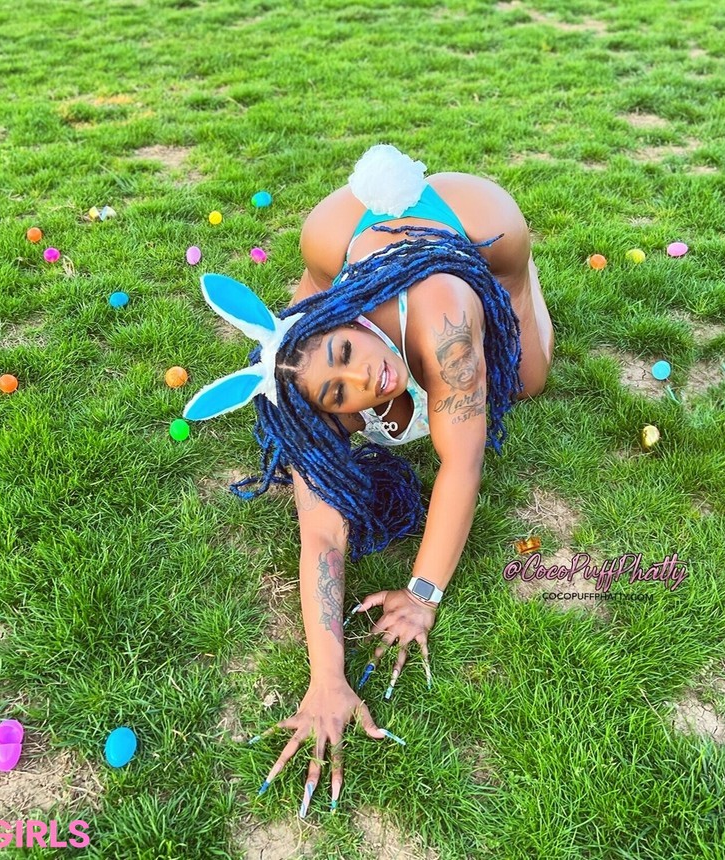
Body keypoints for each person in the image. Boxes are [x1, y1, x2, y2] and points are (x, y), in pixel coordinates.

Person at [183, 144, 555, 818]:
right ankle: (329, 307)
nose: (363, 377)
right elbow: (322, 532)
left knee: (526, 380)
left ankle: (518, 286)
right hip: (342, 243)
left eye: (348, 352)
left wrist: (422, 595)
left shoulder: (441, 320)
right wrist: (326, 677)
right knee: (312, 358)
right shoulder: (311, 390)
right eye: (339, 391)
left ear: (350, 321)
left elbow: (461, 462)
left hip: (476, 221)